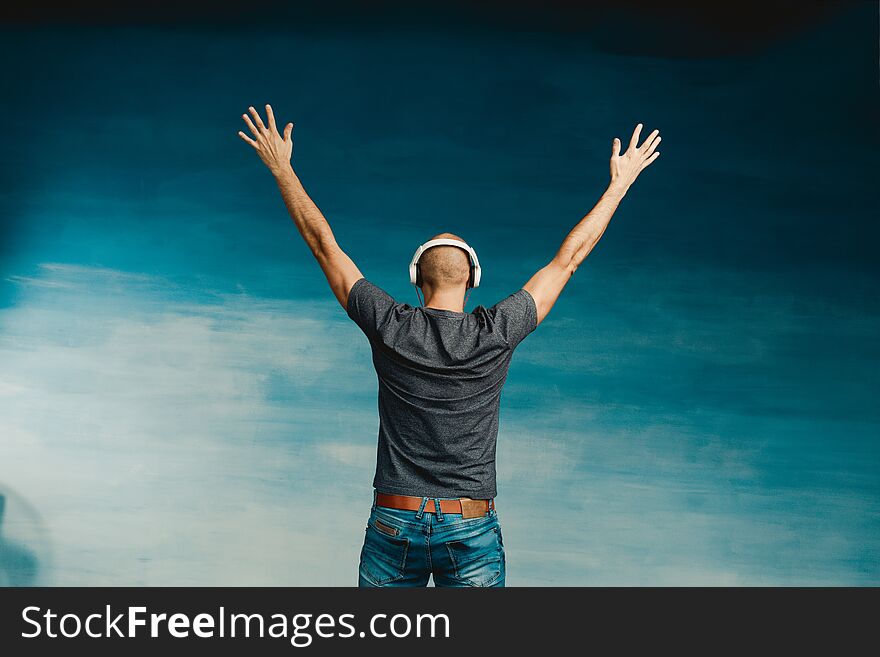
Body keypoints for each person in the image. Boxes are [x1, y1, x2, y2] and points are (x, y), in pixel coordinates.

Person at [238, 105, 661, 586]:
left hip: (394, 519)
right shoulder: (497, 330)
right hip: (470, 525)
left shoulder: (389, 324)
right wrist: (620, 184)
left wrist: (282, 168)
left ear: (416, 280)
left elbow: (323, 245)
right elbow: (568, 261)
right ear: (473, 281)